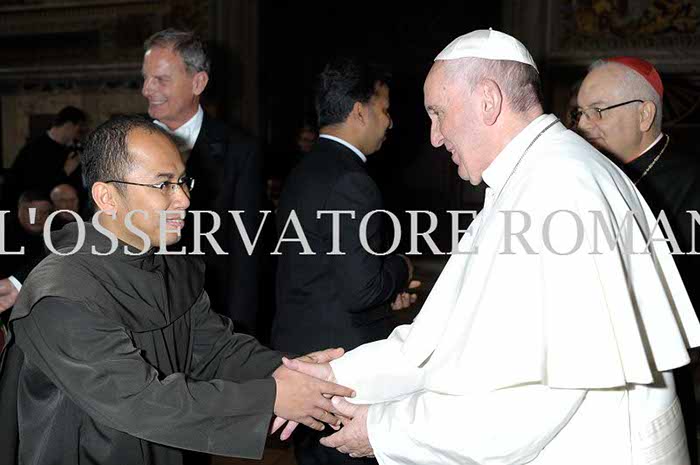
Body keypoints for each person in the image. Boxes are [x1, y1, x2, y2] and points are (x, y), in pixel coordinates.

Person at [281, 30, 700, 465]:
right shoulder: (527, 176)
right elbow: (435, 342)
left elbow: (531, 403)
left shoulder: (560, 186)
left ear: (487, 100)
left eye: (438, 113)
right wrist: (333, 376)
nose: (435, 137)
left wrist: (382, 430)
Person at [0, 115, 354, 465]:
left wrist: (291, 371)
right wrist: (273, 397)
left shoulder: (169, 264)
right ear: (107, 197)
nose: (183, 198)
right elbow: (141, 401)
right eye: (163, 184)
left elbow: (215, 349)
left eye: (183, 181)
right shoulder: (61, 295)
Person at [271, 57, 419, 465]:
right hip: (342, 365)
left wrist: (384, 295)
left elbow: (322, 272)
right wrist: (401, 268)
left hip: (301, 353)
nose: (389, 122)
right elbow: (361, 289)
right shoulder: (351, 180)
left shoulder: (304, 170)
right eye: (384, 110)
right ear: (360, 111)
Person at [577, 56, 700, 464]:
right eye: (580, 113)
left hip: (660, 369)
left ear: (644, 114)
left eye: (598, 111)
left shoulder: (691, 182)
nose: (583, 125)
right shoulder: (584, 172)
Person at [142, 29, 262, 335]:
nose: (146, 89)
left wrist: (239, 333)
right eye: (145, 78)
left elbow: (245, 252)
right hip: (138, 314)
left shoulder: (240, 151)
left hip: (209, 318)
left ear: (198, 82)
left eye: (160, 79)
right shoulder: (122, 142)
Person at [9, 106, 87, 202]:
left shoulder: (72, 149)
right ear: (69, 126)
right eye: (78, 131)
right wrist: (65, 171)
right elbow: (35, 185)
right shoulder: (34, 150)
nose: (78, 136)